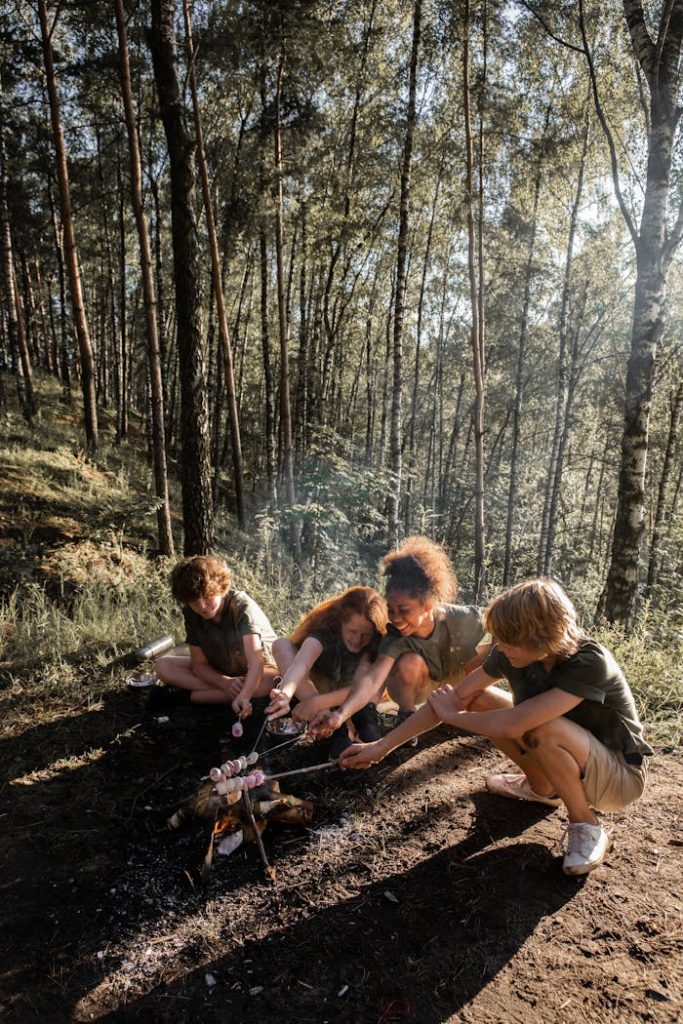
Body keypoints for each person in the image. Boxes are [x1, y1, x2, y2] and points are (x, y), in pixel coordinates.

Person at [340, 578, 653, 876]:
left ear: (543, 636)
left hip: (618, 777)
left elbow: (515, 723)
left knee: (545, 729)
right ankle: (542, 787)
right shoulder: (509, 652)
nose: (499, 647)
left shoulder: (589, 662)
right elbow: (454, 699)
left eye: (508, 640)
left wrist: (454, 718)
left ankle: (586, 825)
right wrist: (379, 748)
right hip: (574, 755)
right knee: (478, 698)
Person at [310, 536, 485, 747]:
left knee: (491, 648)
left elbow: (505, 629)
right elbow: (373, 680)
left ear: (428, 604)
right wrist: (340, 715)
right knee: (409, 661)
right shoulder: (395, 636)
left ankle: (469, 708)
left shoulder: (463, 618)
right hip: (421, 687)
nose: (396, 618)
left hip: (455, 681)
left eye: (404, 610)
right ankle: (408, 717)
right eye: (390, 610)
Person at [265, 586, 389, 758]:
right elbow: (301, 664)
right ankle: (330, 725)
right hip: (315, 687)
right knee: (281, 644)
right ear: (341, 622)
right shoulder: (324, 627)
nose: (357, 640)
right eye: (352, 631)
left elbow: (367, 688)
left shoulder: (375, 642)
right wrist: (285, 693)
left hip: (353, 697)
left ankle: (363, 722)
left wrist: (318, 702)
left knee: (373, 681)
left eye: (365, 635)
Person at [154, 555, 279, 719]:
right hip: (221, 669)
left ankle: (191, 697)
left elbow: (256, 663)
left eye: (207, 597)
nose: (202, 606)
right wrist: (225, 683)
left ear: (221, 587)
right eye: (194, 601)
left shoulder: (242, 606)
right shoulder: (191, 613)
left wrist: (245, 695)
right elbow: (199, 665)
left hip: (259, 672)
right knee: (163, 665)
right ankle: (222, 694)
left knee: (272, 682)